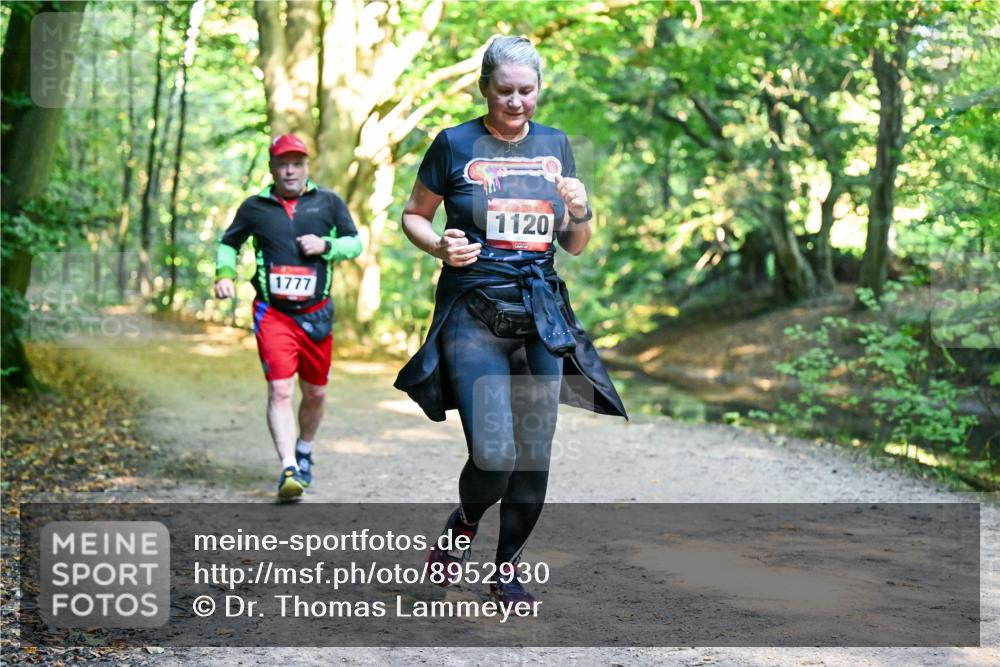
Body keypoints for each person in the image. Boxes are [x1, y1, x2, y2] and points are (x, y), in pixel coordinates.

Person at [394, 36, 627, 605]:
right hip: (473, 312)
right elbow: (414, 215)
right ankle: (464, 523)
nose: (517, 102)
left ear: (539, 90)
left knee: (534, 454)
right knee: (494, 454)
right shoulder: (453, 144)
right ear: (485, 89)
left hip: (540, 314)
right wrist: (439, 247)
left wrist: (581, 208)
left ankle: (506, 567)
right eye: (505, 92)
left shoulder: (555, 145)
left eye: (527, 91)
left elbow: (574, 243)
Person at [214, 134, 362, 502]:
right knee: (280, 389)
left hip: (316, 314)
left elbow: (355, 243)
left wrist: (327, 246)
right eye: (283, 163)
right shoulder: (255, 207)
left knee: (315, 392)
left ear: (307, 166)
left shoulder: (328, 203)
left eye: (297, 163)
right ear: (272, 167)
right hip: (273, 313)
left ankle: (305, 449)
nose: (290, 170)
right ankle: (288, 467)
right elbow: (228, 243)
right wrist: (224, 274)